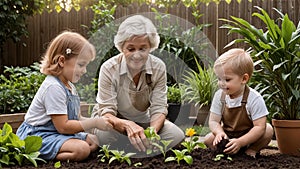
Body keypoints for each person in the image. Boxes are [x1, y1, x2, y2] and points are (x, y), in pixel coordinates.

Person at [91, 15, 185, 153]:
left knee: (177, 136)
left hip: (143, 121)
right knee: (105, 137)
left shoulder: (158, 68)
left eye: (142, 48)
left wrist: (151, 133)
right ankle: (135, 144)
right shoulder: (109, 68)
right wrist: (127, 125)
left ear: (150, 47)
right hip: (112, 121)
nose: (137, 55)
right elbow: (106, 112)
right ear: (122, 47)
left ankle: (133, 143)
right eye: (131, 49)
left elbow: (159, 108)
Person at [16, 31, 113, 161]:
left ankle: (67, 150)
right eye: (81, 65)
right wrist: (94, 122)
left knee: (93, 141)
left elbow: (77, 119)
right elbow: (63, 126)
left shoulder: (69, 86)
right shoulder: (53, 87)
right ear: (62, 61)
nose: (84, 71)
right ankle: (32, 155)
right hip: (38, 136)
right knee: (82, 149)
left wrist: (96, 122)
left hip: (56, 134)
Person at [204, 48, 273, 158]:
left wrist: (241, 142)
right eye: (219, 78)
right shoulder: (219, 96)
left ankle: (251, 151)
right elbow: (213, 121)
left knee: (268, 130)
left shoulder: (254, 98)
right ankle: (227, 150)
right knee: (208, 139)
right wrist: (219, 133)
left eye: (227, 80)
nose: (221, 84)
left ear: (244, 79)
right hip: (228, 135)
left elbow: (259, 127)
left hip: (249, 137)